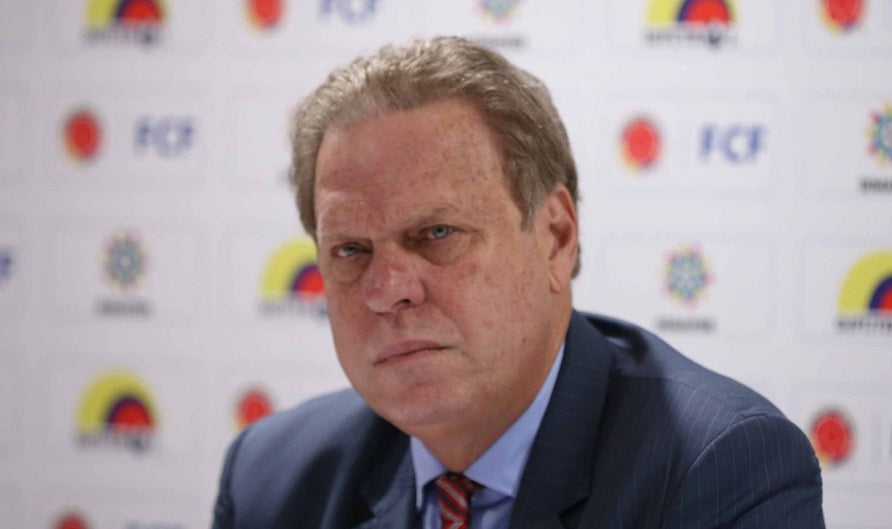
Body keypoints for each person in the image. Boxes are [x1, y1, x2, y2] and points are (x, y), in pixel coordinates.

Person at [212, 36, 824, 529]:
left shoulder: (717, 468)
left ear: (556, 236)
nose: (388, 289)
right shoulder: (273, 478)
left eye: (437, 233)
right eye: (351, 250)